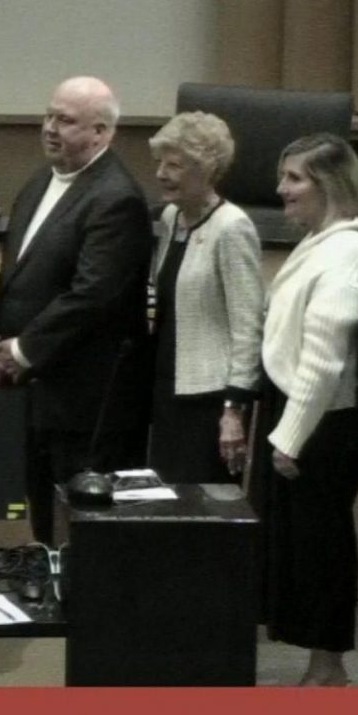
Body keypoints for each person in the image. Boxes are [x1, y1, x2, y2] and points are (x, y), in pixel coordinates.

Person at [0, 77, 153, 545]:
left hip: (86, 402)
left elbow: (92, 295)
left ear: (101, 132)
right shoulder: (40, 181)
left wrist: (23, 349)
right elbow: (18, 275)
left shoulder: (116, 197)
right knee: (44, 523)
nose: (49, 128)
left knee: (83, 533)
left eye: (65, 120)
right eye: (48, 115)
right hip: (34, 393)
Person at [260, 133, 358, 687]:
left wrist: (291, 435)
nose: (281, 189)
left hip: (324, 419)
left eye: (294, 178)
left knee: (322, 546)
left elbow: (324, 359)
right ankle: (320, 665)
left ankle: (328, 669)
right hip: (309, 413)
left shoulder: (347, 249)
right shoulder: (321, 240)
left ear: (329, 183)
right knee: (304, 545)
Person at [146, 112, 265, 484]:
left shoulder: (231, 227)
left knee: (202, 505)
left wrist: (234, 408)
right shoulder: (171, 218)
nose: (161, 174)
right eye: (160, 163)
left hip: (209, 398)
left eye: (174, 165)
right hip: (167, 386)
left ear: (207, 169)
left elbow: (248, 326)